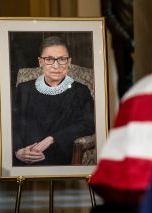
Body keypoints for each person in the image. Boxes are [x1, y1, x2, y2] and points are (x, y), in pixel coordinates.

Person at [12, 36, 95, 166]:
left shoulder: (80, 91)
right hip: (23, 160)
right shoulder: (23, 90)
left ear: (69, 61)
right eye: (49, 59)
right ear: (40, 62)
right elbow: (12, 123)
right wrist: (18, 151)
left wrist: (52, 139)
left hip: (60, 158)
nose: (56, 66)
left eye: (62, 59)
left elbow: (89, 123)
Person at [101, 0, 135, 99]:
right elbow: (107, 15)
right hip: (121, 41)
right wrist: (126, 39)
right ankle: (126, 113)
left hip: (143, 37)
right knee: (125, 83)